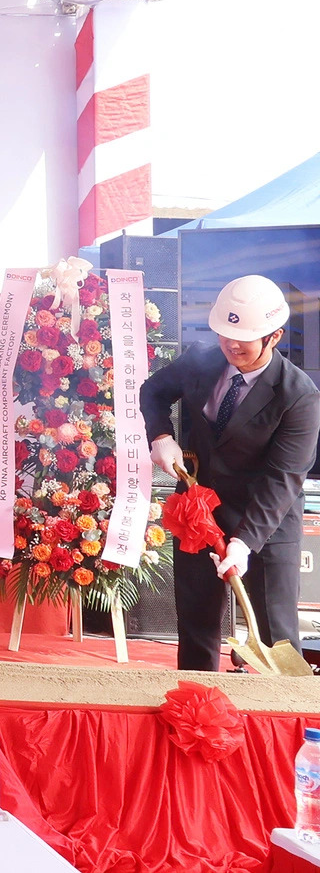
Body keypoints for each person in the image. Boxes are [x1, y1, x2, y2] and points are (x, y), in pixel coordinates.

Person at [145, 275, 320, 672]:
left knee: (276, 640)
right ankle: (197, 714)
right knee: (196, 628)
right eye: (225, 334)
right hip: (199, 513)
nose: (231, 345)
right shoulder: (201, 361)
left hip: (265, 523)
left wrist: (243, 543)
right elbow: (152, 392)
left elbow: (284, 478)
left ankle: (280, 724)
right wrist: (160, 436)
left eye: (243, 338)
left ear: (274, 337)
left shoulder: (299, 396)